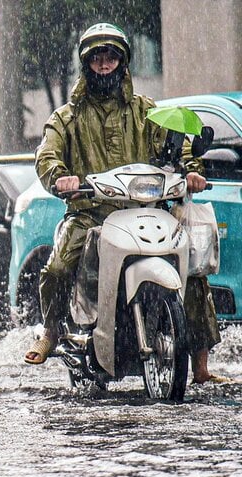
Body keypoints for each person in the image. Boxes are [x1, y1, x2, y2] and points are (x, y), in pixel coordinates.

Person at [23, 23, 229, 384]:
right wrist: (60, 177)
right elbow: (47, 156)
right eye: (98, 57)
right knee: (57, 268)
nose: (105, 64)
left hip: (146, 211)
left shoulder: (146, 111)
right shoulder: (66, 117)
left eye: (112, 57)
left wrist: (192, 171)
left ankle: (200, 367)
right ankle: (52, 332)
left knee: (194, 268)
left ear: (123, 62)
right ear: (87, 64)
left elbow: (178, 147)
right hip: (91, 213)